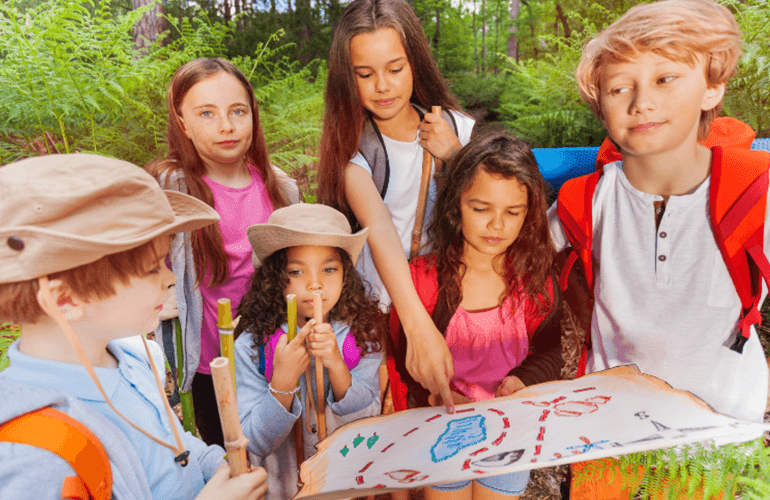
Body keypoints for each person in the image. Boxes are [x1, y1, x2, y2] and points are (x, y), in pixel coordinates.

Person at [547, 0, 770, 497]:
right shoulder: (588, 199)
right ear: (600, 103)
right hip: (608, 431)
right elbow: (504, 263)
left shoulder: (756, 194)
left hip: (721, 434)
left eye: (665, 79)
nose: (640, 102)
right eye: (619, 87)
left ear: (711, 87)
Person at [0, 153, 268, 500]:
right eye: (152, 268)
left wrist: (212, 463)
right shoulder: (34, 454)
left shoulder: (131, 354)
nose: (171, 279)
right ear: (64, 299)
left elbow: (171, 440)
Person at [316, 0, 475, 412]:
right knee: (393, 417)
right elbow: (380, 229)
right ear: (346, 79)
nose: (382, 86)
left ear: (416, 63)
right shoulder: (356, 156)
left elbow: (490, 202)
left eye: (395, 68)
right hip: (383, 307)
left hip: (450, 296)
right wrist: (416, 325)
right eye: (364, 74)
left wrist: (456, 156)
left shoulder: (458, 128)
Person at [391, 132, 564, 500]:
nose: (496, 225)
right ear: (456, 205)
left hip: (509, 429)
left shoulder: (536, 282)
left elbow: (552, 347)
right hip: (442, 429)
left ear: (529, 214)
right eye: (481, 208)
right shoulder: (422, 282)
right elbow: (405, 352)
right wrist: (433, 393)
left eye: (512, 212)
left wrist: (522, 379)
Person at [145, 58, 299, 447]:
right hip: (208, 363)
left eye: (237, 111)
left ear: (253, 114)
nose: (226, 126)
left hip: (272, 356)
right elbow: (137, 262)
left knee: (279, 449)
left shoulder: (280, 188)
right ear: (182, 123)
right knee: (229, 453)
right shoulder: (170, 189)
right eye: (207, 114)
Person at [232, 203, 384, 499]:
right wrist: (283, 383)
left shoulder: (363, 332)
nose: (315, 283)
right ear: (275, 278)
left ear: (345, 274)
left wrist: (337, 367)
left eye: (329, 269)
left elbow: (368, 421)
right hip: (285, 488)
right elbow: (253, 444)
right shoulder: (251, 346)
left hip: (345, 486)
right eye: (296, 271)